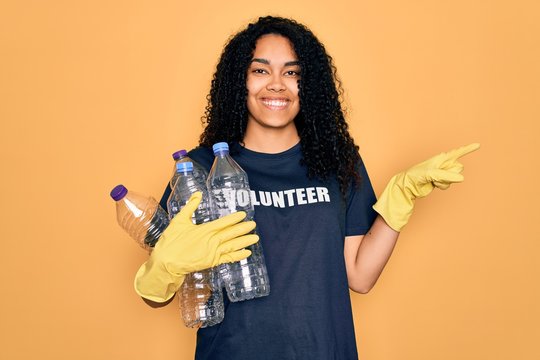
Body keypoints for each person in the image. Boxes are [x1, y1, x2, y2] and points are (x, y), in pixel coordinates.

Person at [133, 16, 479, 359]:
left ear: (307, 84)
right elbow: (156, 296)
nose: (277, 84)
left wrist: (400, 198)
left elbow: (359, 276)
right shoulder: (200, 169)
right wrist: (163, 267)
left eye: (292, 72)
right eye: (260, 70)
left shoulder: (337, 162)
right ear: (240, 80)